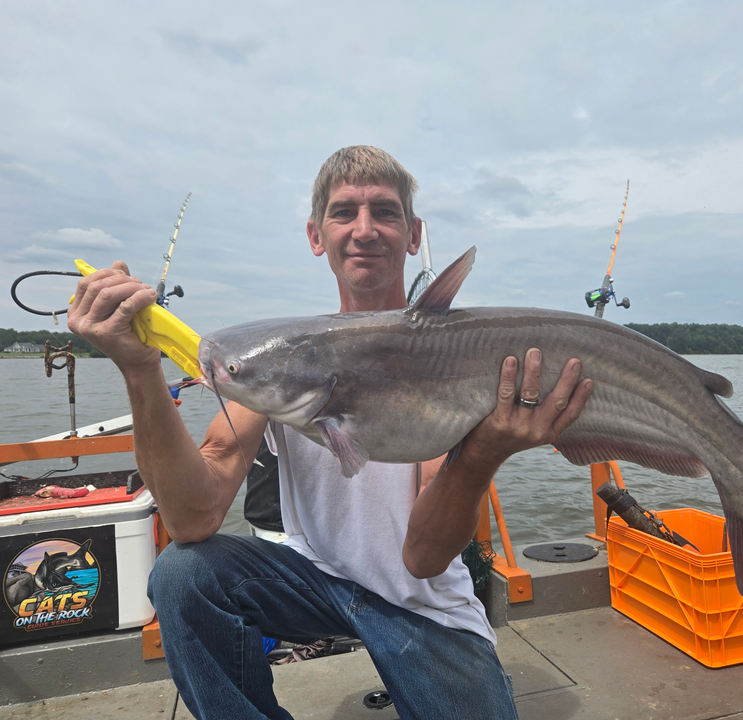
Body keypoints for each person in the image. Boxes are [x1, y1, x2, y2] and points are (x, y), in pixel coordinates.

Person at [67, 146, 593, 720]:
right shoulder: (285, 361)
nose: (364, 230)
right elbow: (194, 517)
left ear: (413, 234)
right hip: (313, 580)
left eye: (385, 212)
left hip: (424, 603)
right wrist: (141, 370)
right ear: (317, 235)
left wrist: (481, 453)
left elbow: (424, 557)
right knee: (184, 573)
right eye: (344, 213)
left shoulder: (453, 357)